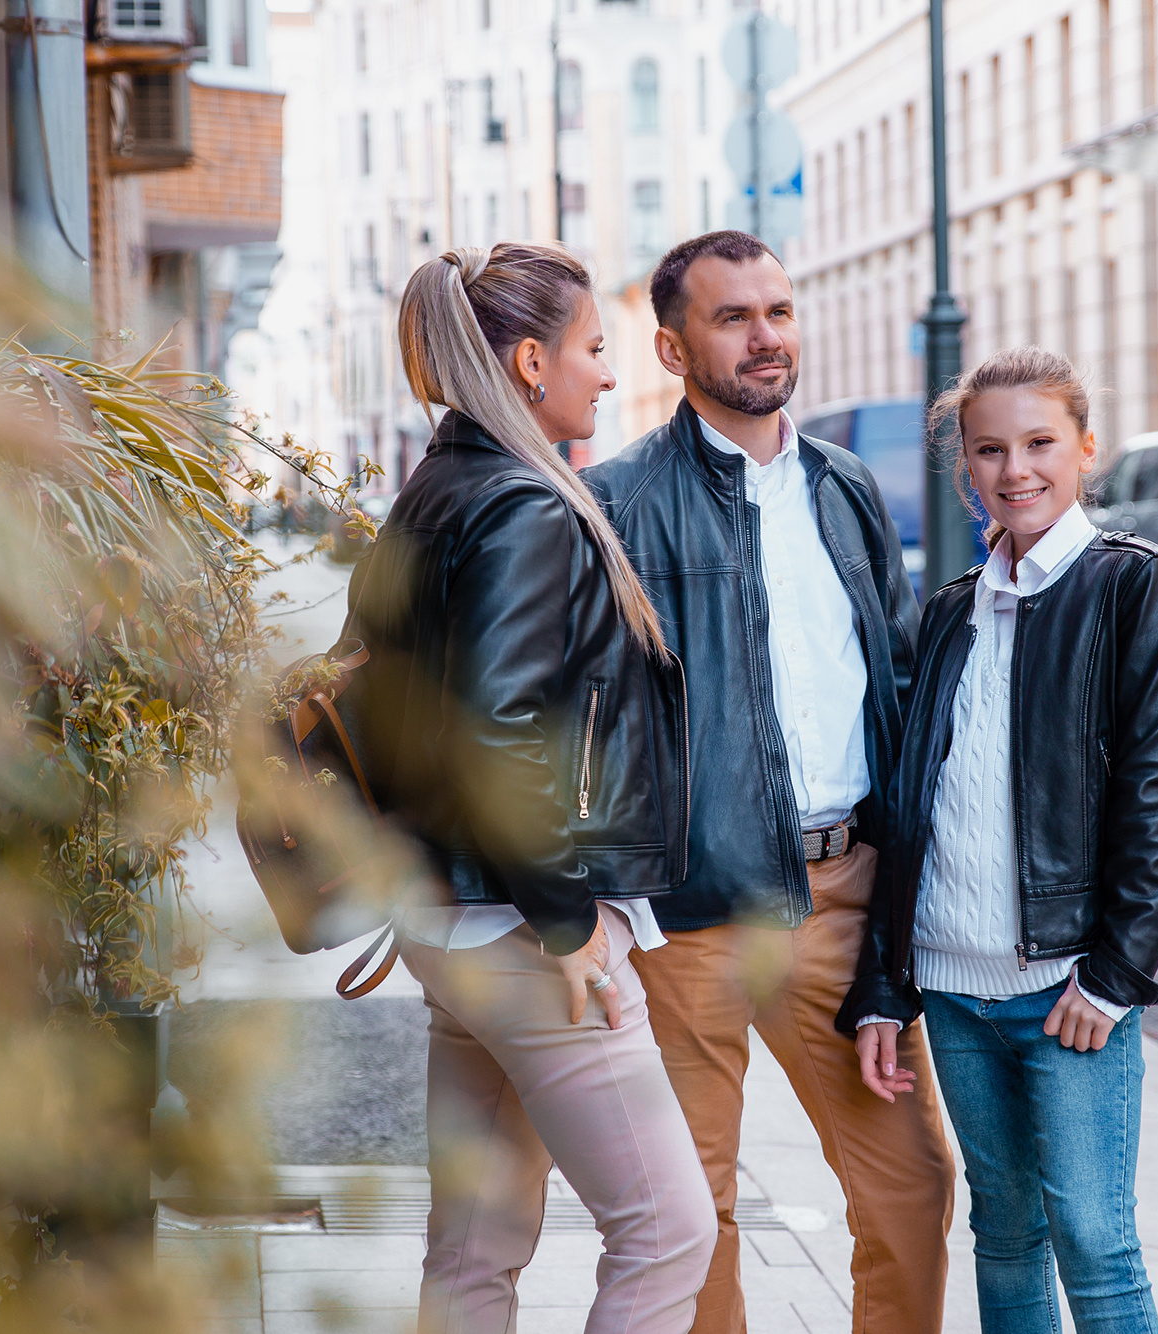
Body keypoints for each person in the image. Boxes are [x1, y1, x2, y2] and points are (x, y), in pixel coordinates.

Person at [581, 231, 955, 1334]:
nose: (763, 336)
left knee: (908, 1184)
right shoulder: (619, 497)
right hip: (687, 908)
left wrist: (899, 894)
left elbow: (888, 674)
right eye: (732, 316)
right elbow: (586, 709)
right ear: (670, 343)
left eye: (777, 312)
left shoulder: (844, 485)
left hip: (841, 894)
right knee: (697, 1211)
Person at [345, 242, 715, 1334]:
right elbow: (495, 732)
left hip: (449, 920)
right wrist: (569, 922)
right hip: (520, 928)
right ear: (524, 359)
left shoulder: (436, 489)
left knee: (474, 1244)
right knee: (668, 1228)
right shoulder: (522, 505)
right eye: (592, 348)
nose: (606, 373)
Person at [843, 347, 1158, 1334]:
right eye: (989, 449)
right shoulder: (952, 609)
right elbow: (906, 803)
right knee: (1002, 1230)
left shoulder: (1131, 586)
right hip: (954, 988)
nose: (1015, 469)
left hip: (1067, 989)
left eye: (1039, 442)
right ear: (964, 468)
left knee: (1093, 1236)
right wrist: (885, 982)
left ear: (1085, 448)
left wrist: (1117, 972)